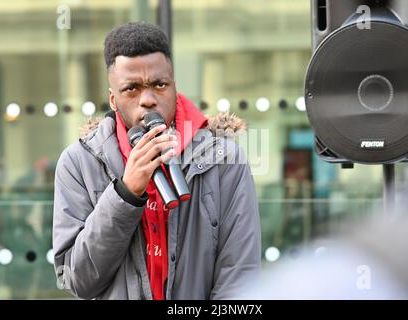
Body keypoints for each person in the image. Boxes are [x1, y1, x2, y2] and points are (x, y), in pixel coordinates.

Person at [52, 22, 261, 300]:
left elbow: (240, 278)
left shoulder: (224, 159)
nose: (148, 99)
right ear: (113, 100)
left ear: (175, 88)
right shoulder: (78, 163)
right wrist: (125, 193)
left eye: (159, 85)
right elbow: (79, 281)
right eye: (132, 89)